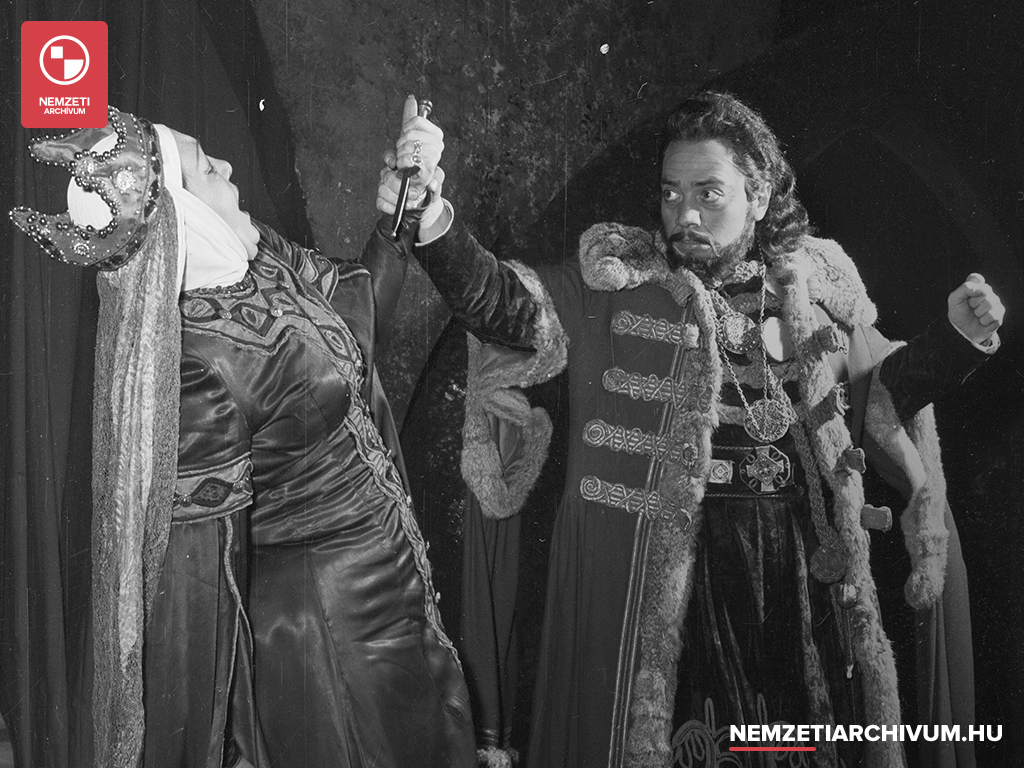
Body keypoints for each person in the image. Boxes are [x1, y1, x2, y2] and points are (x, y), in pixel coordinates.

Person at [376, 91, 1005, 768]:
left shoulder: (811, 290)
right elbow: (501, 303)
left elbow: (880, 392)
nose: (686, 214)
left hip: (798, 584)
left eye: (709, 193)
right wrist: (429, 214)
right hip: (673, 588)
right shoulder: (614, 284)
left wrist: (955, 341)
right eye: (671, 194)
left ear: (759, 197)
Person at [10, 99, 475, 768]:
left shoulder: (256, 257)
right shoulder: (191, 365)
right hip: (329, 637)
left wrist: (404, 202)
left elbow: (353, 315)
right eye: (205, 167)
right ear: (179, 216)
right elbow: (196, 587)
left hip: (394, 586)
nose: (227, 166)